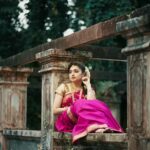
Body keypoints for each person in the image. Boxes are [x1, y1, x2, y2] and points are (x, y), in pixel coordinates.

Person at [53, 61, 124, 143]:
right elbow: (54, 110)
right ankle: (97, 126)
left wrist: (88, 84)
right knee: (79, 103)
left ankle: (100, 127)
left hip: (82, 119)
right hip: (66, 119)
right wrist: (71, 108)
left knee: (101, 105)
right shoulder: (63, 87)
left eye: (76, 71)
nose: (72, 74)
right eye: (70, 72)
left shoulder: (87, 89)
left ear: (83, 74)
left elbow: (93, 104)